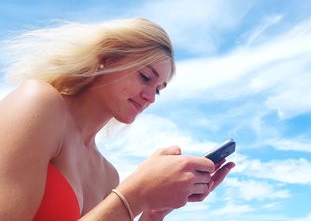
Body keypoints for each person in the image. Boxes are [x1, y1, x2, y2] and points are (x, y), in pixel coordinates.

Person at [0, 18, 234, 221]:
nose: (151, 97)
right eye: (145, 77)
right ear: (109, 57)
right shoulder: (38, 103)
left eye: (159, 89)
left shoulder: (108, 176)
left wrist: (154, 209)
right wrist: (135, 194)